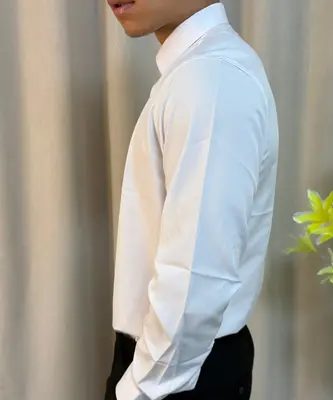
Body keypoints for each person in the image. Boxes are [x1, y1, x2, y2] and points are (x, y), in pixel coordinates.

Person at [104, 1, 279, 399]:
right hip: (176, 366)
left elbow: (197, 277)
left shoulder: (210, 78)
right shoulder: (201, 70)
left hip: (175, 376)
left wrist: (136, 390)